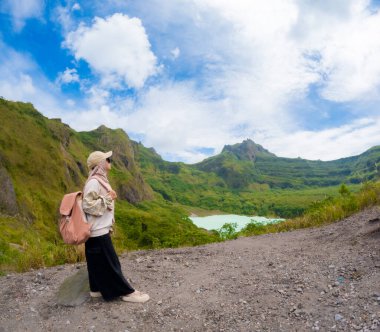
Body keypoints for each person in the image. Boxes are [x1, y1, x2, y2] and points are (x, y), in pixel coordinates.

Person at [82, 150, 150, 303]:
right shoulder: (94, 181)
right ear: (100, 164)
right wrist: (108, 198)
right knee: (112, 263)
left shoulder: (99, 180)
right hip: (98, 231)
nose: (110, 162)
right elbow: (87, 205)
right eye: (108, 159)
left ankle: (96, 290)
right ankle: (127, 292)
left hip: (97, 230)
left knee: (96, 262)